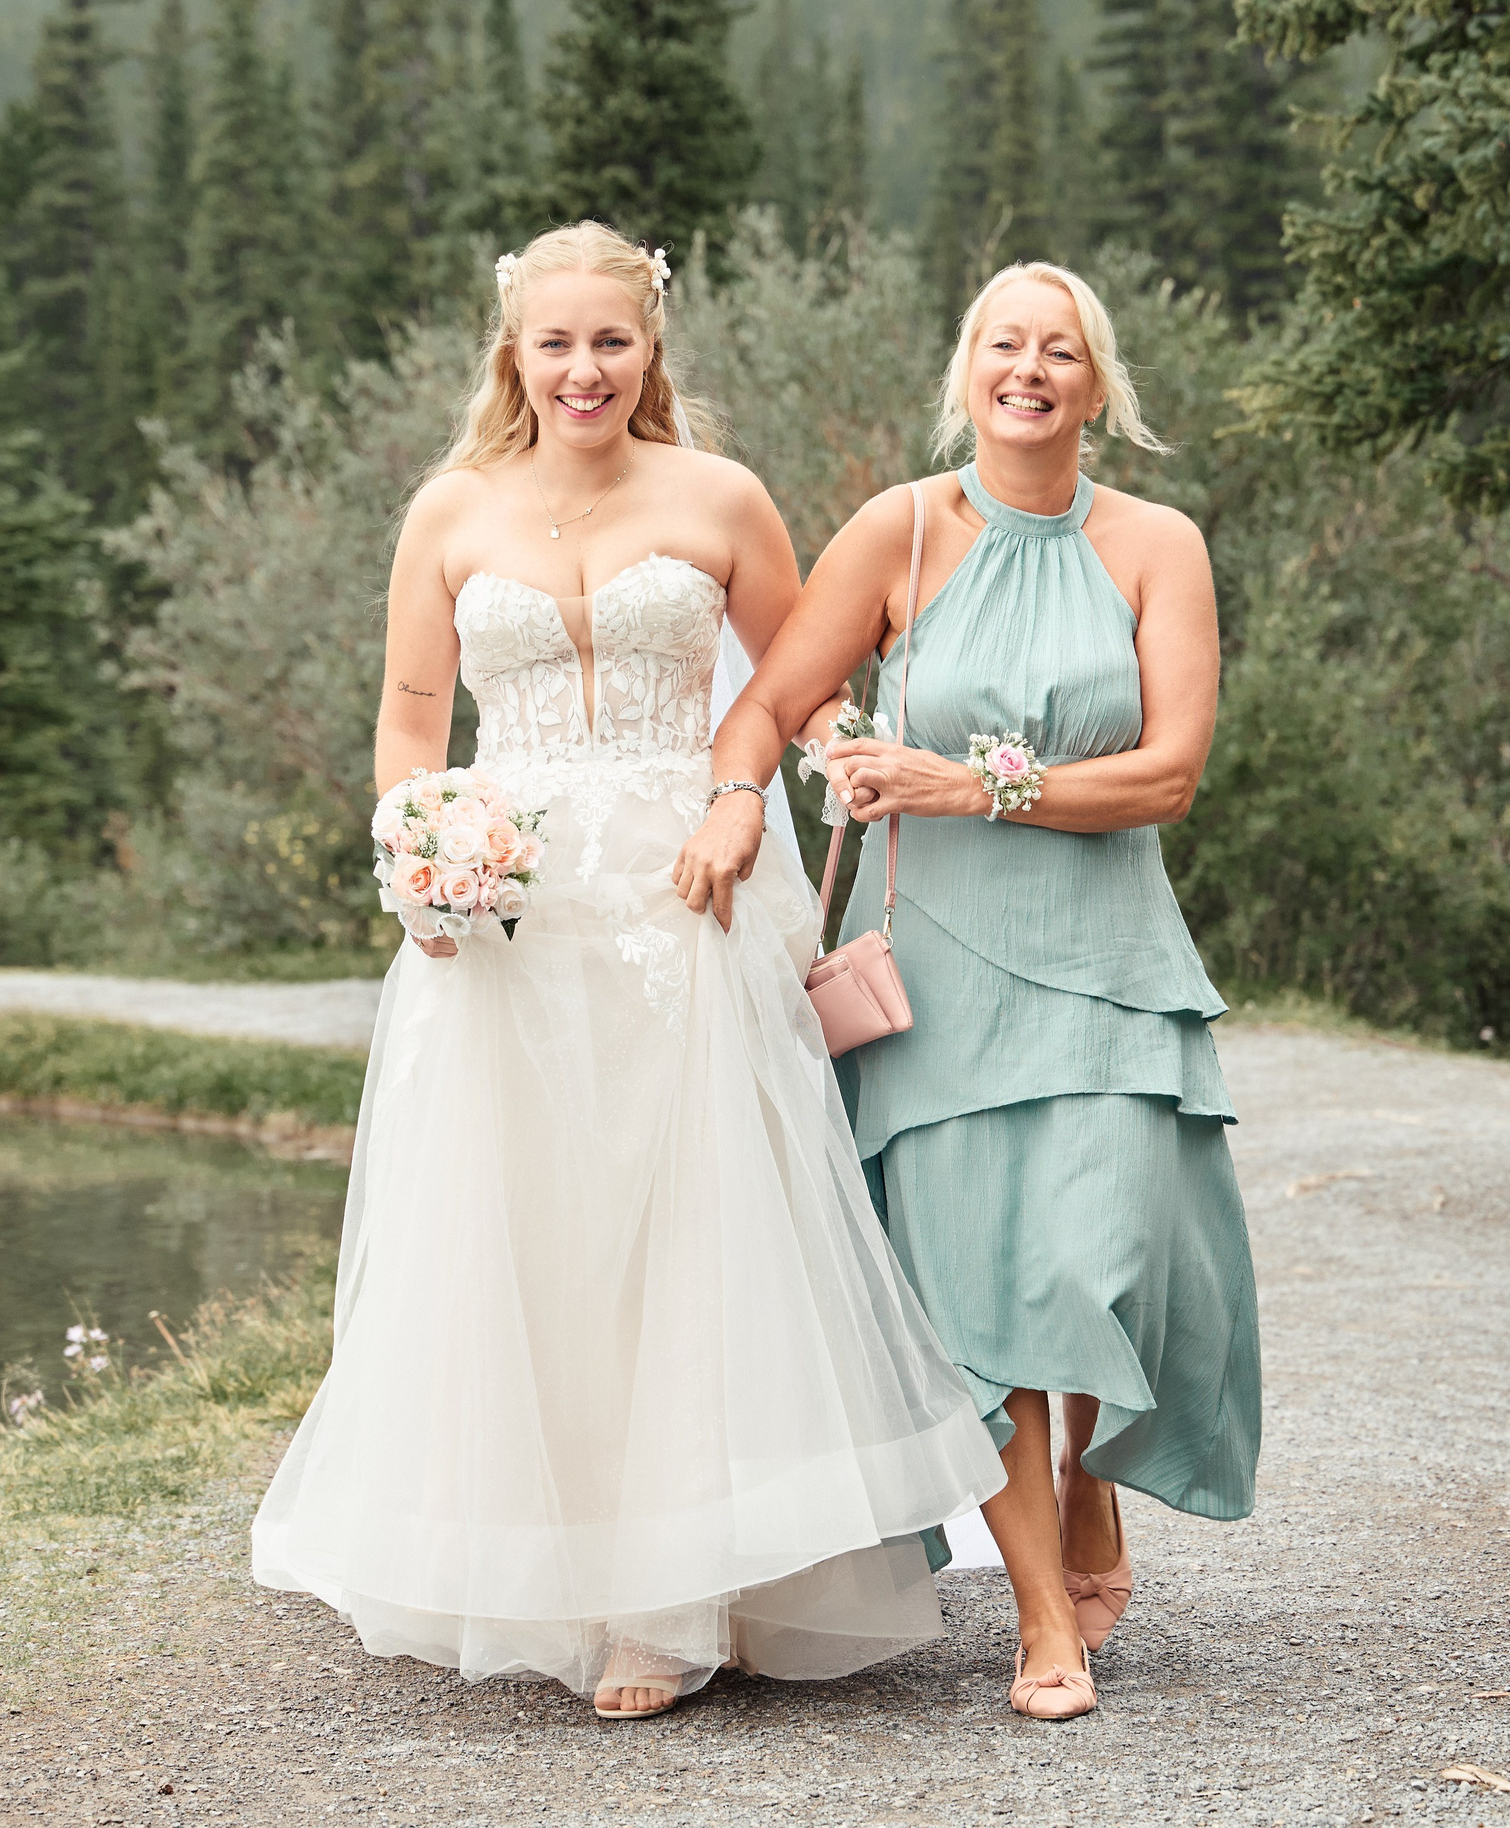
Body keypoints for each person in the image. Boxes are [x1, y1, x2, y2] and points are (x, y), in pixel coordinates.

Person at [250, 222, 1003, 1722]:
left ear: (651, 347)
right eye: (556, 343)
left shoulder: (719, 497)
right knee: (535, 1235)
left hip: (686, 906)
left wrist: (829, 765)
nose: (583, 369)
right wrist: (425, 859)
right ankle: (562, 1575)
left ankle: (681, 1596)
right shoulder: (450, 512)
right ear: (514, 356)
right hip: (509, 924)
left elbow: (796, 685)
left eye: (611, 341)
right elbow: (410, 729)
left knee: (687, 1233)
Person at [674, 261, 1262, 1722]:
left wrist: (970, 783)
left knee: (1096, 1258)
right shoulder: (903, 530)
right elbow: (772, 698)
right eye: (1006, 345)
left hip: (1110, 967)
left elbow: (1169, 774)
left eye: (1060, 351)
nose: (1030, 371)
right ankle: (1042, 1619)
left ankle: (1089, 1472)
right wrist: (776, 782)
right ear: (968, 371)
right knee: (979, 1300)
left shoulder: (1157, 544)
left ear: (1097, 385)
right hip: (933, 983)